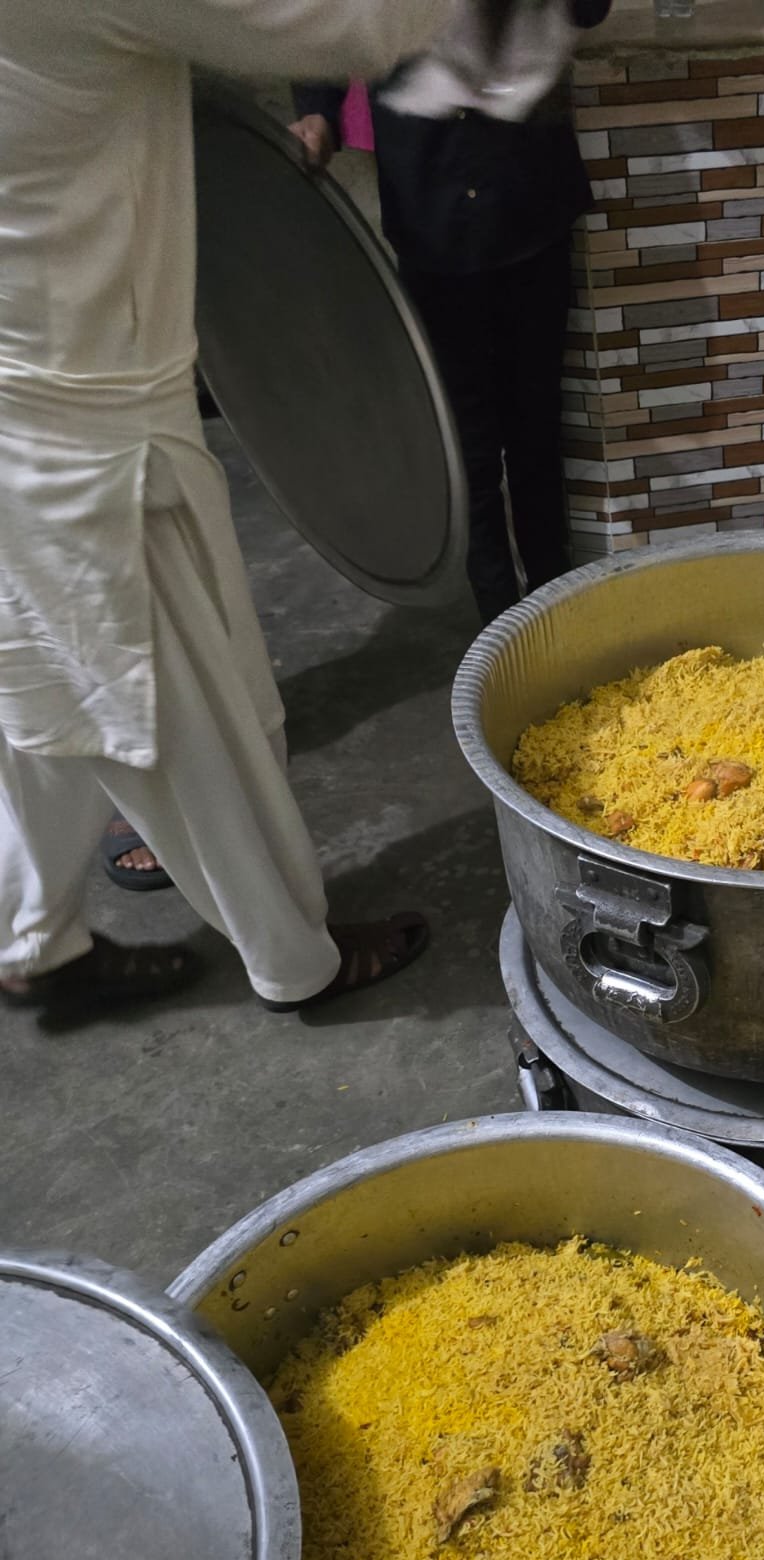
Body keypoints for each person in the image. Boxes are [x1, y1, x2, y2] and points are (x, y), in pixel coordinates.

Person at [0, 0, 468, 1015]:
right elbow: (354, 25)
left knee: (40, 695)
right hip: (86, 430)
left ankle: (30, 936)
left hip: (28, 384)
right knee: (184, 716)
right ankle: (297, 959)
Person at [291, 0, 612, 630]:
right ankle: (498, 625)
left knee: (536, 428)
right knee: (468, 446)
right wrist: (317, 115)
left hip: (528, 201)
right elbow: (325, 30)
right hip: (431, 208)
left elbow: (588, 9)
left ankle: (557, 606)